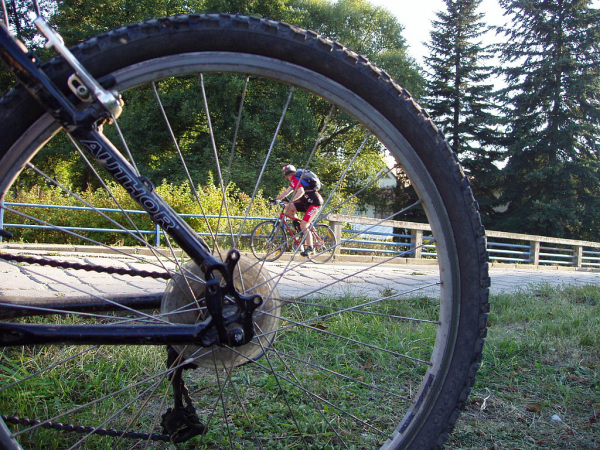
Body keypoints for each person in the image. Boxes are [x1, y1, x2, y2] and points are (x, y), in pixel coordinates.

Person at [272, 164, 323, 257]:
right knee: (288, 207)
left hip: (314, 204)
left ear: (286, 175)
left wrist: (290, 200)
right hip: (306, 203)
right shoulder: (294, 180)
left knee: (304, 225)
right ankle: (298, 227)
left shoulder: (296, 179)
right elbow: (286, 192)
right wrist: (276, 200)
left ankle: (310, 248)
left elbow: (301, 192)